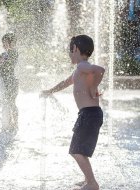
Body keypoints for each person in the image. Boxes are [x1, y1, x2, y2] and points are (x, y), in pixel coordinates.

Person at [41, 35, 105, 190]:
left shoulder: (82, 66)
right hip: (89, 114)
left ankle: (92, 183)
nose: (69, 54)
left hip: (89, 114)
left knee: (76, 150)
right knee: (80, 149)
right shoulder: (79, 70)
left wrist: (93, 87)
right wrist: (50, 91)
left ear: (75, 48)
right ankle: (87, 179)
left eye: (70, 50)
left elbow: (100, 70)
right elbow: (66, 82)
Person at [0, 33, 19, 131]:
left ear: (11, 42)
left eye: (4, 42)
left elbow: (3, 59)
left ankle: (15, 123)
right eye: (2, 42)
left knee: (11, 103)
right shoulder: (4, 53)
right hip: (4, 82)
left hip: (11, 82)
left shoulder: (13, 52)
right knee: (6, 103)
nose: (3, 45)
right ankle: (8, 123)